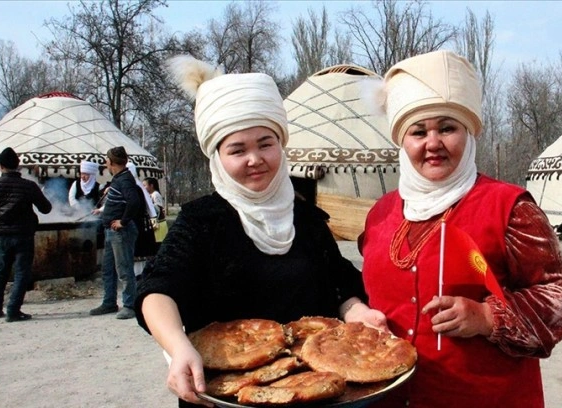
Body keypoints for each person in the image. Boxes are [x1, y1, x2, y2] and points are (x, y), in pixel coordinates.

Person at [134, 55, 385, 408]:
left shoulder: (306, 218)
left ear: (281, 145)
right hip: (229, 393)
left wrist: (357, 311)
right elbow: (158, 289)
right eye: (237, 149)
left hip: (311, 389)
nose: (255, 159)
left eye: (265, 144)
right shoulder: (202, 221)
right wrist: (178, 346)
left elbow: (339, 282)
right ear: (217, 157)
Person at [357, 50, 562, 407]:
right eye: (418, 132)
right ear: (402, 141)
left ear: (468, 133)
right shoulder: (380, 214)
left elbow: (559, 298)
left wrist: (487, 317)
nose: (433, 144)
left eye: (447, 128)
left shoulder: (510, 207)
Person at [0, 147, 53, 322]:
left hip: (3, 235)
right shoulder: (28, 186)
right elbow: (46, 208)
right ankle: (13, 310)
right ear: (17, 166)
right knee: (22, 273)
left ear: (0, 166)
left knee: (0, 272)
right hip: (24, 235)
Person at [89, 146, 143, 320]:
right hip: (111, 231)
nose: (105, 163)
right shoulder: (119, 179)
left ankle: (130, 305)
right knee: (108, 269)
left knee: (124, 269)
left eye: (107, 160)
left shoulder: (125, 180)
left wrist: (123, 221)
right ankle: (109, 302)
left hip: (121, 232)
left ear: (111, 162)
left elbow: (134, 202)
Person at [143, 177, 168, 245]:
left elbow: (158, 208)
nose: (143, 187)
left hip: (158, 222)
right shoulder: (150, 195)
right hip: (155, 222)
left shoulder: (155, 194)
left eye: (145, 185)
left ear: (151, 185)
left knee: (158, 241)